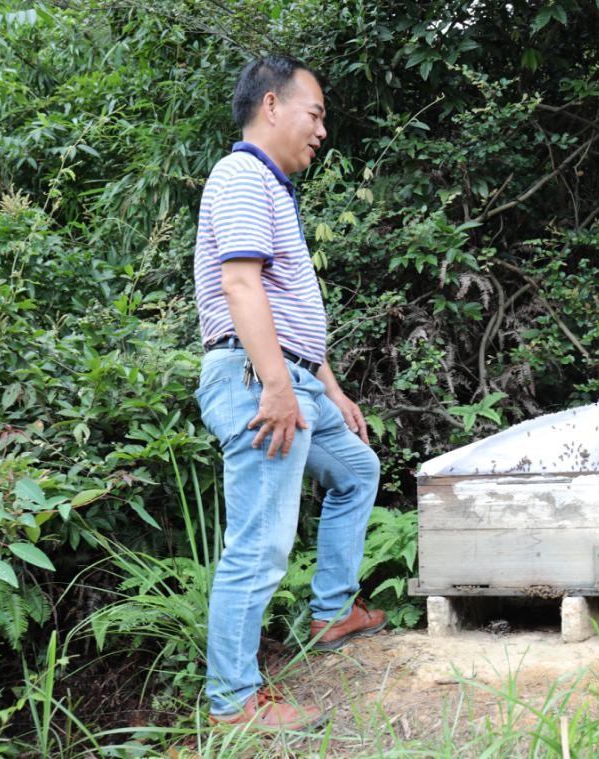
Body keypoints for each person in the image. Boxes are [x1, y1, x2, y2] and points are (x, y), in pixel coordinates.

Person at [193, 55, 385, 729]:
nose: (321, 130)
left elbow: (283, 303)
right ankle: (234, 701)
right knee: (259, 541)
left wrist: (326, 385)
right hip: (259, 379)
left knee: (357, 468)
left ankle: (332, 611)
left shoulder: (270, 187)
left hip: (294, 376)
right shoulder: (243, 173)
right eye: (316, 113)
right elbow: (240, 286)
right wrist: (276, 384)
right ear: (271, 106)